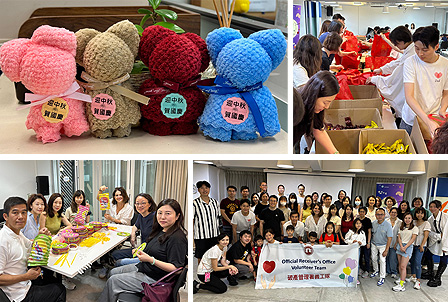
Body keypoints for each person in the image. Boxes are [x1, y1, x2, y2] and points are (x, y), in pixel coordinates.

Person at [99, 199, 187, 302]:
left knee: (113, 281)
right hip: (145, 267)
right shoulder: (161, 229)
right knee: (113, 272)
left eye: (168, 213)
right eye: (160, 213)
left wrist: (151, 260)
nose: (162, 217)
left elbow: (176, 268)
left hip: (154, 278)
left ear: (177, 216)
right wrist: (140, 251)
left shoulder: (177, 238)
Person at [0, 196, 66, 302]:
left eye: (24, 212)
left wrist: (41, 236)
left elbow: (31, 244)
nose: (21, 217)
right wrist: (26, 276)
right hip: (17, 294)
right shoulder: (2, 240)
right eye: (15, 213)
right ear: (5, 216)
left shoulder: (17, 233)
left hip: (25, 280)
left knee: (53, 280)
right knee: (60, 289)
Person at [400, 26, 448, 136]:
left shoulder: (445, 65)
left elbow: (446, 92)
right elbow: (409, 96)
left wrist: (443, 109)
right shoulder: (410, 62)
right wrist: (427, 121)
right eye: (417, 48)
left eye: (425, 50)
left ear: (436, 46)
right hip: (411, 120)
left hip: (434, 119)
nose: (420, 53)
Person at [367, 26, 415, 128]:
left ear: (401, 41)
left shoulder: (411, 56)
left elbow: (394, 80)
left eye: (395, 43)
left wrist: (376, 79)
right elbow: (398, 62)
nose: (395, 46)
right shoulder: (410, 51)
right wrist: (382, 69)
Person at [294, 71, 340, 154]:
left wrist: (335, 154)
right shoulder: (296, 106)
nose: (327, 107)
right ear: (315, 96)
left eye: (330, 102)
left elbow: (318, 130)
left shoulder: (314, 109)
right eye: (325, 102)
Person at [39, 193, 74, 290]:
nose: (58, 205)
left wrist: (61, 230)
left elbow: (70, 225)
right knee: (50, 268)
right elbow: (42, 232)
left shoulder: (60, 214)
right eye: (55, 202)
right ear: (51, 203)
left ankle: (61, 280)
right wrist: (49, 235)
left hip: (57, 242)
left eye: (60, 203)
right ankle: (49, 286)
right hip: (47, 243)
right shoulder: (44, 214)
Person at [112, 193, 157, 267]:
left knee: (119, 263)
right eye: (137, 203)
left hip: (149, 254)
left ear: (150, 204)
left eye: (143, 203)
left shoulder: (155, 218)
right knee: (115, 254)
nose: (139, 206)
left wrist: (139, 251)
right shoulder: (141, 215)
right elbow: (135, 226)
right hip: (141, 249)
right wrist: (133, 235)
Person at [194, 180, 220, 265]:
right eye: (202, 188)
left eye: (207, 188)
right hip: (201, 236)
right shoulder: (194, 203)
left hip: (214, 235)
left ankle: (211, 275)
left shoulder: (215, 202)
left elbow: (218, 218)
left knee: (213, 256)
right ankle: (203, 276)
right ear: (198, 190)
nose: (205, 190)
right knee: (202, 257)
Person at [423, 200, 448, 287]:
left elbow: (446, 233)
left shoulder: (446, 217)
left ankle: (438, 277)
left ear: (439, 207)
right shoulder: (430, 219)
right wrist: (438, 236)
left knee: (444, 256)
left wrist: (442, 239)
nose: (432, 209)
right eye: (431, 207)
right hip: (436, 240)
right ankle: (430, 273)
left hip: (446, 240)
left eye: (434, 207)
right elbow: (429, 232)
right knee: (429, 254)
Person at [393, 213, 418, 292]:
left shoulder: (414, 228)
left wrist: (405, 247)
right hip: (400, 247)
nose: (407, 220)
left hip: (408, 247)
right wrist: (401, 246)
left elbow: (413, 239)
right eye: (406, 218)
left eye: (409, 218)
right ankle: (401, 278)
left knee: (403, 266)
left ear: (411, 219)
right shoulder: (401, 227)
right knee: (400, 266)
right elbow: (399, 237)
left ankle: (401, 285)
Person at [370, 208, 393, 286]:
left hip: (383, 245)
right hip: (374, 244)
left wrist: (386, 250)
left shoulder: (388, 225)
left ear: (384, 215)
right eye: (378, 214)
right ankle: (375, 270)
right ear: (375, 215)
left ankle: (382, 277)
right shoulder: (373, 223)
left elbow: (390, 238)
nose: (379, 216)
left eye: (381, 214)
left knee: (382, 261)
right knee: (373, 258)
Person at [410, 207, 431, 290]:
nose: (419, 215)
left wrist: (422, 245)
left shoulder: (426, 223)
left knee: (418, 262)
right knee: (412, 261)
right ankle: (413, 276)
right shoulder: (413, 222)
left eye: (421, 213)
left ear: (424, 214)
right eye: (418, 213)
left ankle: (418, 281)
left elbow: (426, 236)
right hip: (412, 245)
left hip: (420, 246)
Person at [345, 218, 367, 285]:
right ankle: (348, 276)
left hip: (358, 250)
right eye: (357, 223)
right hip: (350, 249)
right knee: (348, 263)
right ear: (354, 224)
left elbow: (364, 242)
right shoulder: (351, 232)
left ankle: (356, 278)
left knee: (356, 264)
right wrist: (352, 241)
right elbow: (346, 240)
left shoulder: (362, 232)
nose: (358, 225)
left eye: (360, 223)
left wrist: (361, 243)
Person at [385, 208, 402, 279]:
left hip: (395, 242)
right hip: (386, 242)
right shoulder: (386, 221)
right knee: (386, 257)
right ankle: (387, 271)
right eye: (392, 212)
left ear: (397, 214)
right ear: (390, 213)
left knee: (393, 258)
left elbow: (400, 234)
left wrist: (396, 243)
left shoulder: (400, 222)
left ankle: (393, 272)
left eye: (395, 212)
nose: (393, 214)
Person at [358, 207, 372, 278]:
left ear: (365, 213)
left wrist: (368, 242)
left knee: (366, 257)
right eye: (360, 211)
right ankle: (360, 269)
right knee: (359, 257)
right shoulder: (357, 220)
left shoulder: (368, 220)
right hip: (359, 243)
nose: (361, 213)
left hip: (366, 242)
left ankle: (367, 270)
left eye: (363, 211)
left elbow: (369, 232)